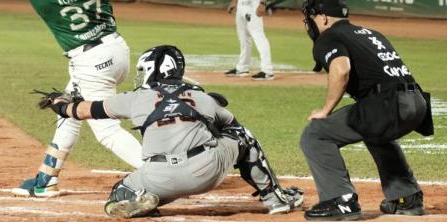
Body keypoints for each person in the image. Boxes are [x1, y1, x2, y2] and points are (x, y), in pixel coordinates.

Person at [37, 45, 304, 218]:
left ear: (155, 70)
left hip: (158, 176)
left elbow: (82, 111)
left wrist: (59, 105)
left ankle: (142, 200)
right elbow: (233, 127)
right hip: (206, 171)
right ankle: (275, 198)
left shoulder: (135, 99)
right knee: (244, 136)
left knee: (118, 194)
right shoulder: (201, 97)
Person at [12, 0, 143, 197]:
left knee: (106, 131)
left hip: (90, 62)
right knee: (68, 111)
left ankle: (159, 173)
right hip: (116, 51)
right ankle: (47, 178)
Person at [299, 0, 432, 220]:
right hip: (418, 103)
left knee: (315, 134)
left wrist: (325, 110)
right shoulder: (370, 33)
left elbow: (341, 70)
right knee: (375, 131)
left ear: (323, 17)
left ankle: (340, 201)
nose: (310, 24)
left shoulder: (328, 37)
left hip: (389, 104)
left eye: (311, 18)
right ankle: (407, 197)